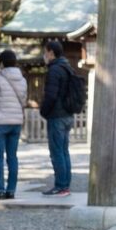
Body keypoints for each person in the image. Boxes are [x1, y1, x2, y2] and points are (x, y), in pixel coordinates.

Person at [0, 49, 27, 200]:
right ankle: (11, 190)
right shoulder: (22, 80)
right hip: (16, 122)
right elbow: (23, 101)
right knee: (12, 156)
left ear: (1, 63)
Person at [39, 41, 73, 196]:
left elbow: (51, 95)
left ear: (51, 52)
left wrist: (44, 111)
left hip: (57, 115)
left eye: (45, 52)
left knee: (57, 152)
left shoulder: (54, 70)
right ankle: (65, 185)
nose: (44, 55)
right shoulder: (67, 68)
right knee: (64, 151)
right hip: (67, 114)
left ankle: (60, 185)